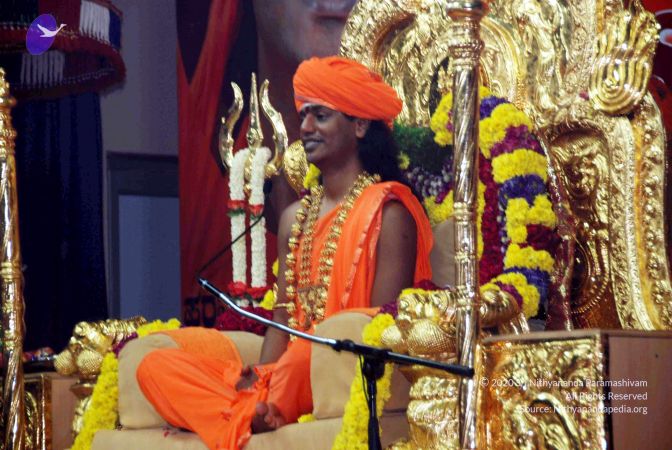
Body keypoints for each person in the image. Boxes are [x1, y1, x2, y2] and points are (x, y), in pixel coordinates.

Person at [137, 56, 433, 449]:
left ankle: (246, 415)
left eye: (320, 116)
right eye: (304, 115)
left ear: (360, 125)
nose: (305, 127)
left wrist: (300, 358)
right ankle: (255, 412)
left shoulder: (390, 212)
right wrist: (260, 373)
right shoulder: (294, 217)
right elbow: (282, 317)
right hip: (286, 373)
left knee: (302, 354)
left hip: (337, 369)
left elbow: (382, 326)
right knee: (155, 366)